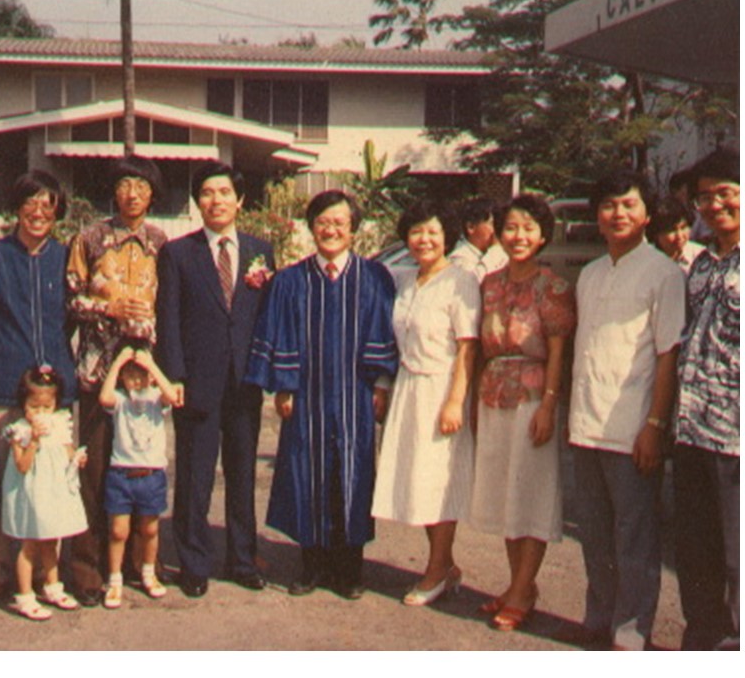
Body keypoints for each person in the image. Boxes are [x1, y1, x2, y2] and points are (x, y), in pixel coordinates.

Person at [247, 190, 398, 599]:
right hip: (306, 396)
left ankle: (349, 570)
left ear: (353, 229)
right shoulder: (290, 280)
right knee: (306, 475)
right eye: (323, 223)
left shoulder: (374, 278)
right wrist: (284, 386)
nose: (331, 230)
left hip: (356, 395)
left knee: (353, 475)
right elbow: (279, 333)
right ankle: (311, 565)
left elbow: (384, 331)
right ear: (312, 228)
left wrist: (381, 385)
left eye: (339, 223)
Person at [567, 170, 685, 650]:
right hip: (585, 424)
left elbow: (668, 354)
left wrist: (655, 424)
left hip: (633, 427)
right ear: (597, 215)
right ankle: (598, 620)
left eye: (629, 204)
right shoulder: (591, 273)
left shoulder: (664, 274)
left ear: (647, 214)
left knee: (635, 536)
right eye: (609, 205)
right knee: (595, 535)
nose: (618, 213)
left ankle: (631, 632)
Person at [156, 160, 275, 598]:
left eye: (224, 192)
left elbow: (267, 317)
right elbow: (168, 319)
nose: (216, 200)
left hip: (245, 381)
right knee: (194, 476)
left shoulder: (261, 251)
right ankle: (193, 563)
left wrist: (268, 372)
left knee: (242, 474)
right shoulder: (178, 253)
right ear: (197, 202)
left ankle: (242, 559)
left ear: (239, 200)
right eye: (207, 193)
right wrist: (174, 375)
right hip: (197, 382)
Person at [468, 195, 576, 630]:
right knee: (507, 498)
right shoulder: (489, 283)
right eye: (511, 227)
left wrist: (549, 405)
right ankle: (520, 587)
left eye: (529, 228)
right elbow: (480, 349)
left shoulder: (553, 286)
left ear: (543, 235)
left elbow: (557, 352)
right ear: (498, 233)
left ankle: (521, 589)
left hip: (532, 398)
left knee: (530, 495)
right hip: (493, 395)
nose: (519, 236)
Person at [66, 155, 168, 606]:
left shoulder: (160, 242)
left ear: (152, 195)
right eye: (125, 185)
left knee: (140, 467)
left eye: (141, 187)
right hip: (97, 374)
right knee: (94, 474)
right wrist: (108, 308)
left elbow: (170, 302)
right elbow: (71, 299)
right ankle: (88, 569)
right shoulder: (89, 238)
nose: (132, 194)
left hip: (143, 382)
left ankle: (138, 565)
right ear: (114, 191)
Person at [0, 170, 77, 602]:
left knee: (52, 480)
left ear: (57, 212)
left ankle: (45, 572)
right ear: (16, 207)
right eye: (30, 202)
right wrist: (7, 351)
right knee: (4, 476)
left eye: (47, 204)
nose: (38, 212)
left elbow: (72, 317)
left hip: (56, 390)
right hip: (6, 381)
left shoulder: (66, 257)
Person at [371, 199, 479, 606]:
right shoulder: (406, 281)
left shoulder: (460, 280)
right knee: (418, 482)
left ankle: (435, 572)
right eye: (417, 232)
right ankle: (445, 565)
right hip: (409, 388)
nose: (424, 239)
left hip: (442, 389)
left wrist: (455, 401)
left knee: (439, 485)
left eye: (433, 232)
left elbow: (468, 347)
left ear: (447, 237)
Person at [672, 148, 739, 651]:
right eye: (704, 198)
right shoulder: (700, 263)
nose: (714, 205)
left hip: (737, 437)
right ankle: (702, 641)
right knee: (697, 551)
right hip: (692, 430)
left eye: (725, 193)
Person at [98, 344, 182, 609]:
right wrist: (119, 362)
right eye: (130, 376)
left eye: (141, 375)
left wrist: (151, 366)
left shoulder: (157, 399)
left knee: (150, 529)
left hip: (151, 475)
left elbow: (173, 395)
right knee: (118, 531)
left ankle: (148, 572)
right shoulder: (121, 400)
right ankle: (114, 580)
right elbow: (104, 398)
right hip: (121, 474)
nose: (136, 381)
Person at [2, 366, 88, 621]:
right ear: (23, 404)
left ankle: (53, 586)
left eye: (46, 407)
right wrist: (34, 441)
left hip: (53, 490)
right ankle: (25, 595)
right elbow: (22, 465)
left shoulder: (59, 422)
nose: (41, 413)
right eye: (34, 407)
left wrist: (77, 458)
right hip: (32, 494)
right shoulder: (20, 431)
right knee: (30, 544)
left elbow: (67, 449)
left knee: (51, 539)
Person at [448, 197, 508, 282]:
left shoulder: (494, 253)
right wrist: (495, 251)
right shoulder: (459, 259)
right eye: (492, 224)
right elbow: (474, 283)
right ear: (471, 227)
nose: (495, 231)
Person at [646, 195, 705, 274]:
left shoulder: (701, 256)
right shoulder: (645, 259)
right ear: (657, 232)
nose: (679, 236)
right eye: (672, 230)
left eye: (683, 227)